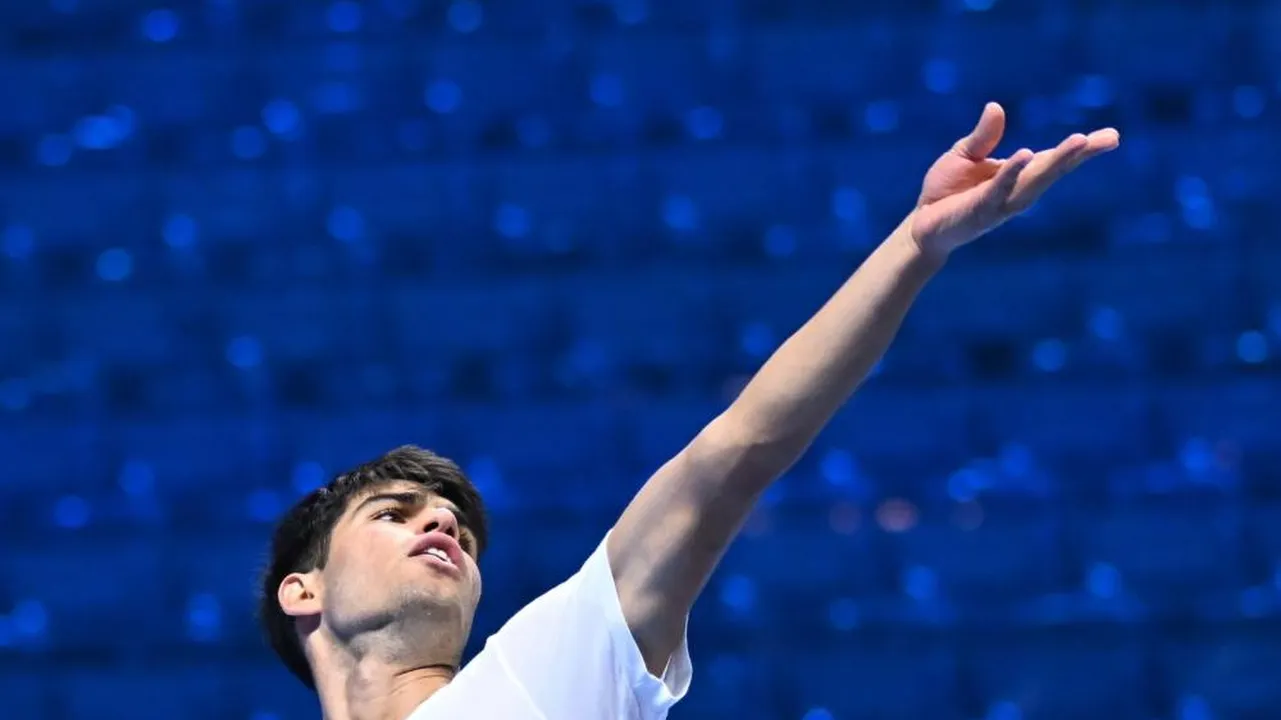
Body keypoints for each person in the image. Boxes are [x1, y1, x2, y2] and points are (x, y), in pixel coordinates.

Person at [258, 102, 1120, 719]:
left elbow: (735, 454)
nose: (442, 525)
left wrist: (913, 246)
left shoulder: (541, 675)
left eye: (457, 527)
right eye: (393, 513)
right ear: (306, 589)